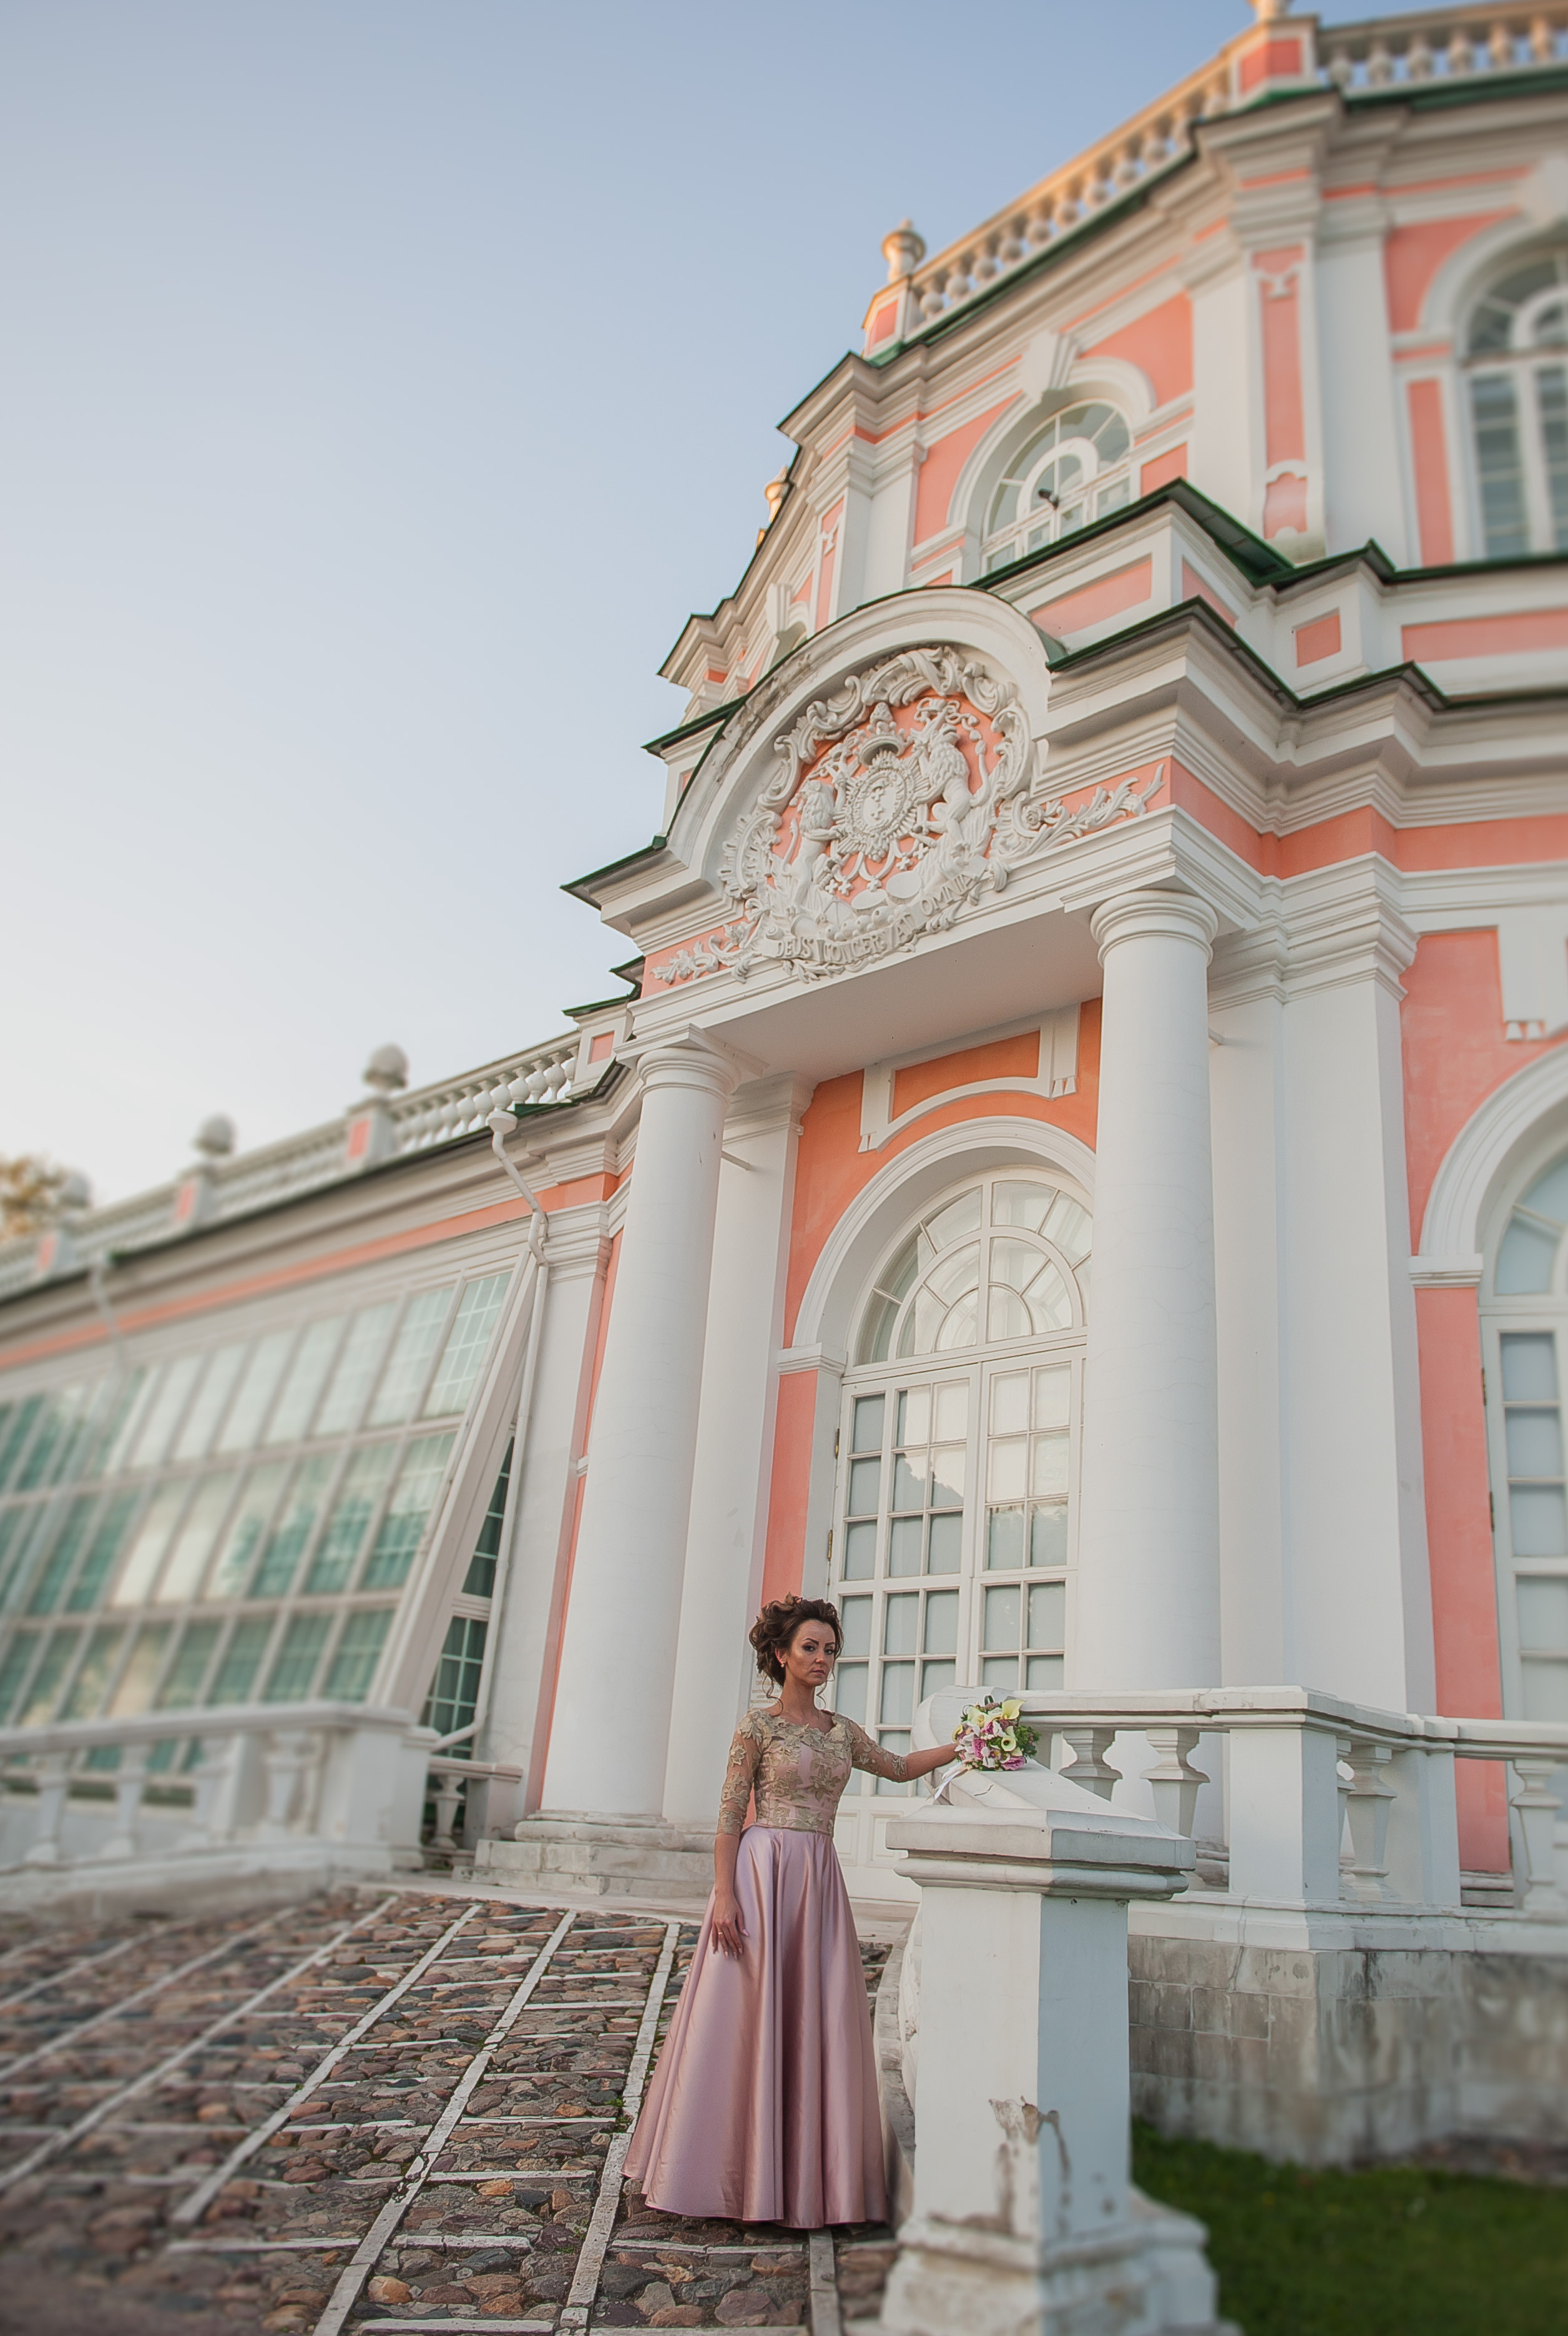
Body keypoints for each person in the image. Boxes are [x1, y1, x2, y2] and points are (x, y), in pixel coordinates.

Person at [624, 1593, 958, 2229]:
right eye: (809, 1647)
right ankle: (722, 2173)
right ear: (781, 1654)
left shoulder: (841, 1732)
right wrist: (724, 1894)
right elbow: (730, 1813)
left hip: (818, 1879)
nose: (821, 1658)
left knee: (813, 2016)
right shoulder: (758, 1727)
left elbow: (898, 1767)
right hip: (761, 1874)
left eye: (829, 1649)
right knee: (743, 2019)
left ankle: (804, 2179)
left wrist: (968, 1746)